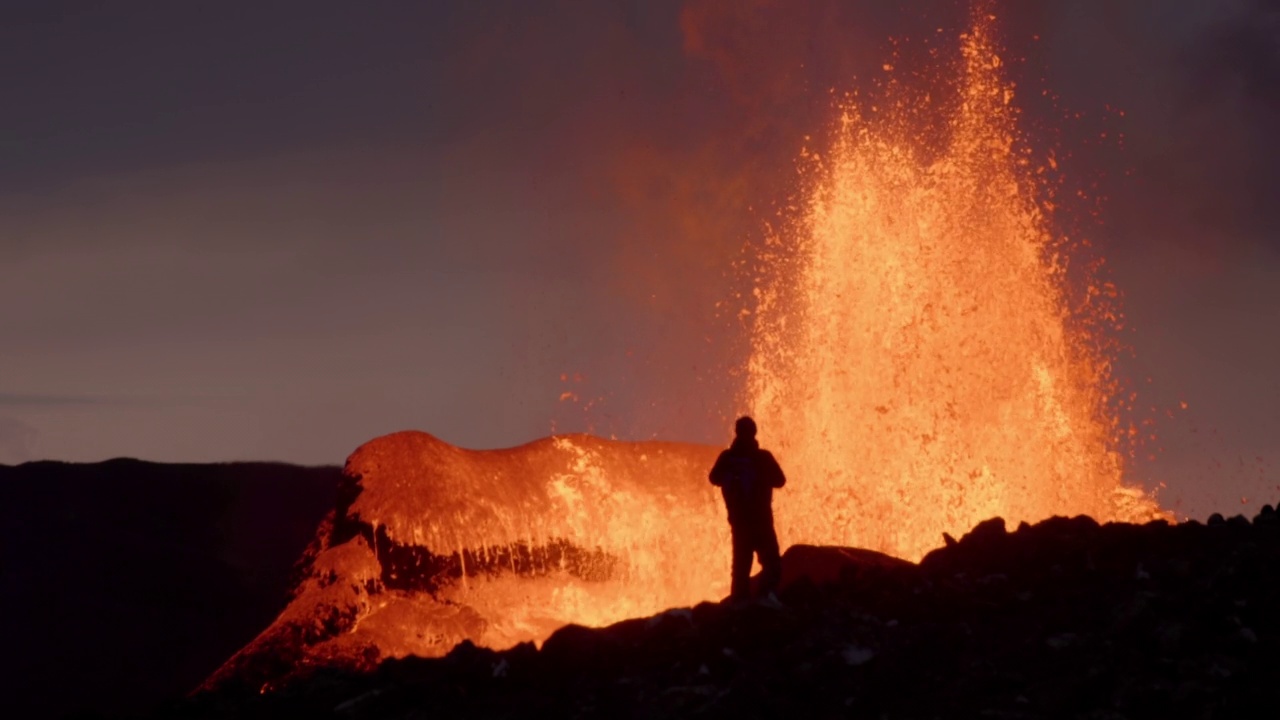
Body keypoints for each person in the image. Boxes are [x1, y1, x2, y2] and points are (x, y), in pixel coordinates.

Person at [708, 416, 787, 601]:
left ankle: (753, 603)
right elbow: (714, 478)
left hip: (750, 523)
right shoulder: (748, 458)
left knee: (747, 570)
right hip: (753, 523)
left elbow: (779, 481)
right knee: (763, 567)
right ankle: (757, 602)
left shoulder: (738, 458)